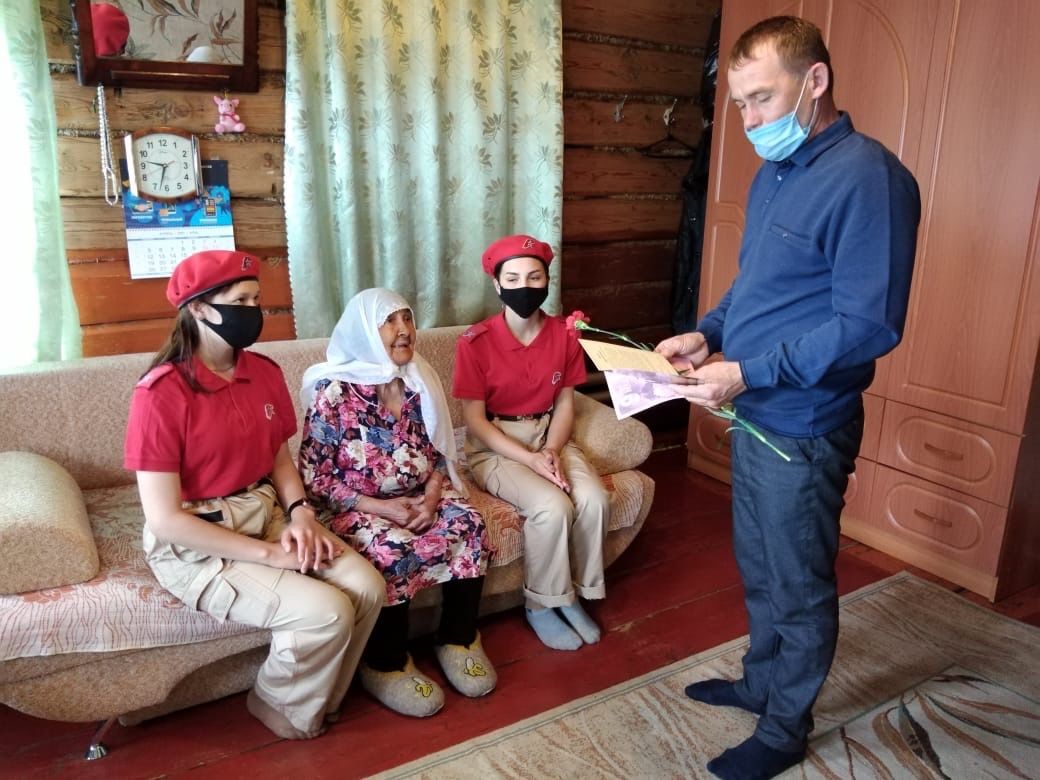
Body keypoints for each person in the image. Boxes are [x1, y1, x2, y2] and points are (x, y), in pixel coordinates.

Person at [656, 16, 920, 780]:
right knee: (761, 564)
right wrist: (707, 333)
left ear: (815, 81)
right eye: (739, 104)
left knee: (798, 584)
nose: (749, 121)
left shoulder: (870, 178)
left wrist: (747, 372)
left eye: (762, 98)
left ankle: (784, 729)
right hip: (756, 409)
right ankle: (760, 682)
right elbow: (759, 285)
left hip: (803, 422)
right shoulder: (776, 171)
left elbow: (869, 324)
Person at [124, 249, 385, 741]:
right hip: (199, 539)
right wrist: (270, 555)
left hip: (265, 511)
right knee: (325, 612)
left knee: (367, 585)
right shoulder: (160, 393)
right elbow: (165, 519)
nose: (253, 311)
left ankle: (324, 698)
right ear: (199, 309)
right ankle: (277, 703)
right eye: (240, 301)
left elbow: (279, 458)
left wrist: (301, 514)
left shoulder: (263, 372)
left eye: (256, 299)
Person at [299, 288, 495, 718]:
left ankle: (458, 639)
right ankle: (385, 663)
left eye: (407, 318)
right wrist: (381, 508)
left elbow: (439, 451)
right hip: (358, 506)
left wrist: (431, 498)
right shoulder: (333, 391)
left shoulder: (418, 380)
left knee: (469, 525)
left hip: (420, 495)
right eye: (390, 321)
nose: (404, 330)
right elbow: (315, 478)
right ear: (365, 332)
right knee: (391, 549)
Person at [453, 234, 610, 652]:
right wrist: (530, 459)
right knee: (553, 507)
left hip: (549, 436)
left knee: (594, 498)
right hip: (496, 446)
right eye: (513, 278)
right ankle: (542, 604)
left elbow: (565, 403)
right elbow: (474, 421)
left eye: (534, 277)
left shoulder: (565, 334)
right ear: (497, 284)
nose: (524, 286)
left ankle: (574, 594)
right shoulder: (475, 342)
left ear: (547, 281)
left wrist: (551, 452)